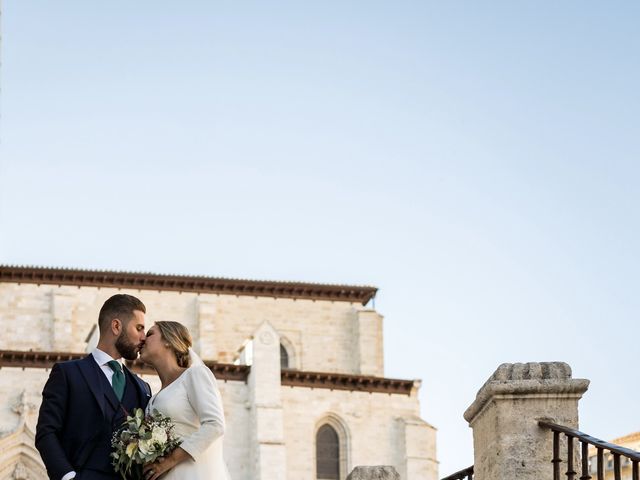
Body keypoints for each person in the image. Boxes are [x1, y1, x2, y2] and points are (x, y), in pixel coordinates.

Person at [35, 294, 152, 480]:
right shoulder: (67, 374)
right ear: (116, 326)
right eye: (139, 328)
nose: (143, 337)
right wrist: (68, 477)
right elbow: (46, 432)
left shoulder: (142, 387)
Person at [139, 321, 230, 480]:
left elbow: (215, 425)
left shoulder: (195, 375)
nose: (142, 340)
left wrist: (169, 461)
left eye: (150, 334)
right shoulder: (153, 398)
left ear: (168, 340)